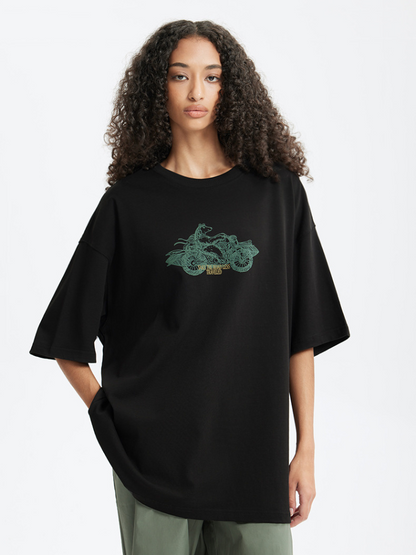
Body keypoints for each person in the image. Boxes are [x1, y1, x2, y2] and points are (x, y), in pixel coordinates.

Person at [29, 19, 350, 555]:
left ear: (232, 87)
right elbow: (66, 338)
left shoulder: (277, 195)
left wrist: (306, 448)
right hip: (153, 465)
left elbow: (302, 332)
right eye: (180, 76)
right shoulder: (127, 205)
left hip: (254, 460)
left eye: (212, 76)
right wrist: (110, 417)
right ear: (158, 88)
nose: (197, 91)